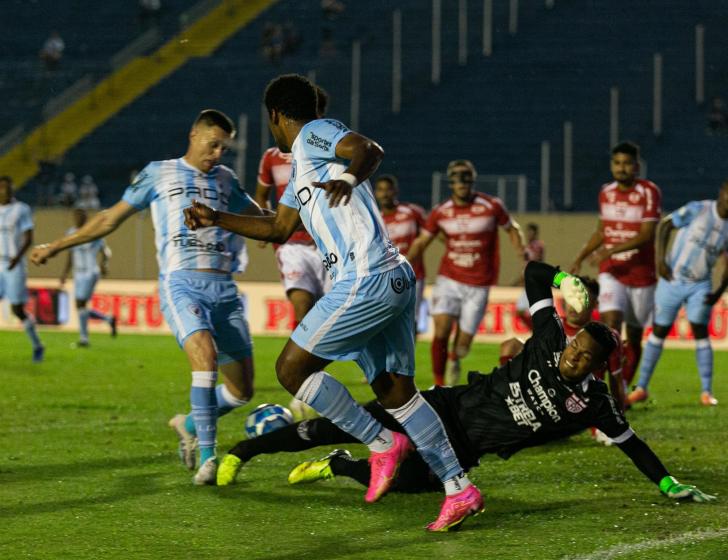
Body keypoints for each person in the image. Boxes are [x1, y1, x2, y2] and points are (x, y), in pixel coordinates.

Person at [184, 73, 483, 532]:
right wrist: (214, 219)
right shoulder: (300, 171)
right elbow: (279, 229)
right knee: (396, 393)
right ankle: (458, 487)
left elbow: (369, 150)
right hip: (392, 279)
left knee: (290, 369)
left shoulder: (314, 134)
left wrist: (346, 175)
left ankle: (382, 445)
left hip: (366, 278)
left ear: (276, 116)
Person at [217, 262, 715, 509]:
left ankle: (341, 468)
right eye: (574, 344)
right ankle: (245, 448)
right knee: (338, 426)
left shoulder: (596, 404)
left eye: (584, 355)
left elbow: (634, 446)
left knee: (404, 485)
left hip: (467, 449)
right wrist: (563, 278)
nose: (572, 353)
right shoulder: (547, 338)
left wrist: (669, 483)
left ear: (597, 368)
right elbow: (533, 274)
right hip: (440, 409)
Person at [30, 110, 258, 485]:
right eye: (213, 144)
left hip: (224, 288)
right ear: (193, 135)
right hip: (180, 283)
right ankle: (206, 456)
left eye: (224, 147)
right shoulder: (159, 173)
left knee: (241, 389)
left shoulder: (226, 180)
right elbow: (109, 218)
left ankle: (187, 424)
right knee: (205, 355)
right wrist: (57, 245)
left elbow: (260, 218)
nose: (218, 153)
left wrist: (290, 225)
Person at [407, 160, 525, 386]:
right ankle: (439, 385)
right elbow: (422, 241)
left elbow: (512, 228)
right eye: (457, 176)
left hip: (479, 283)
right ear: (450, 181)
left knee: (463, 345)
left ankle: (454, 357)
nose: (462, 181)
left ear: (472, 179)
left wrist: (522, 253)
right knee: (441, 329)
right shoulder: (441, 212)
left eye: (466, 176)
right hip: (449, 278)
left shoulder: (491, 206)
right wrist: (402, 263)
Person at [628, 181, 728, 407]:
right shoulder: (698, 209)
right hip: (672, 279)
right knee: (660, 330)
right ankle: (642, 387)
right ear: (721, 192)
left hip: (700, 284)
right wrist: (661, 261)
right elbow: (665, 225)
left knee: (701, 331)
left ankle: (706, 392)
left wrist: (719, 291)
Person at [570, 142, 661, 389]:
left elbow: (647, 235)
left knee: (633, 336)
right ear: (612, 165)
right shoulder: (605, 192)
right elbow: (602, 231)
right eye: (617, 163)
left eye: (627, 163)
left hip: (641, 275)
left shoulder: (648, 191)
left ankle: (623, 387)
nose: (621, 168)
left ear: (636, 166)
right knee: (610, 326)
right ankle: (601, 389)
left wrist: (610, 249)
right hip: (612, 271)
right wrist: (580, 257)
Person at [500, 275, 626, 417]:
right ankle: (507, 403)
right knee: (511, 346)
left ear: (595, 304)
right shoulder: (553, 325)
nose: (574, 305)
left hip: (580, 401)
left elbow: (616, 380)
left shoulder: (606, 337)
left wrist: (619, 416)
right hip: (545, 395)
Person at [374, 174, 427, 332]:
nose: (385, 194)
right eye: (381, 190)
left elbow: (430, 235)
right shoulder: (374, 219)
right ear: (376, 193)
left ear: (395, 191)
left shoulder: (412, 212)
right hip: (387, 278)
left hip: (414, 275)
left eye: (388, 189)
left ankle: (409, 355)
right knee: (386, 320)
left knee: (412, 319)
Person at [0, 176, 44, 362]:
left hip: (13, 263)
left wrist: (16, 259)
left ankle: (37, 345)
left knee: (17, 309)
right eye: (1, 187)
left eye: (7, 188)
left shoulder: (21, 209)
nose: (4, 191)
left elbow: (28, 237)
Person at [59, 208, 117, 347]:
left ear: (86, 217)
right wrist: (64, 274)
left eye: (82, 215)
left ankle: (84, 339)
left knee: (80, 303)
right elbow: (70, 255)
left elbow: (106, 252)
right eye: (76, 215)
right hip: (78, 273)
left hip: (91, 272)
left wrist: (105, 264)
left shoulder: (94, 232)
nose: (79, 218)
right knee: (80, 306)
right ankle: (108, 319)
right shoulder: (71, 233)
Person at [513, 222, 545, 330]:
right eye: (527, 232)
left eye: (531, 232)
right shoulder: (528, 247)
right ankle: (537, 331)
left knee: (530, 311)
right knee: (520, 311)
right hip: (529, 283)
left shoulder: (537, 246)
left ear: (535, 233)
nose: (528, 234)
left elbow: (535, 263)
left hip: (535, 282)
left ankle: (539, 331)